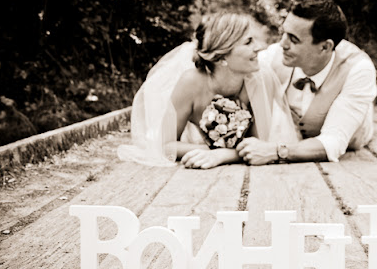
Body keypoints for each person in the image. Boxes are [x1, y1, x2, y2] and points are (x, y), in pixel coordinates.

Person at [117, 12, 299, 169]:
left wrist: (221, 155)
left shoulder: (261, 78)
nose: (259, 48)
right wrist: (206, 152)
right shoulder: (191, 82)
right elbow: (165, 144)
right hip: (198, 163)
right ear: (221, 57)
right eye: (248, 42)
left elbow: (260, 147)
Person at [237, 0, 377, 164]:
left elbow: (334, 141)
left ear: (325, 47)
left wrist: (275, 151)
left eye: (293, 39)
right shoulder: (276, 54)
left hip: (352, 139)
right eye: (283, 33)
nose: (282, 43)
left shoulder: (358, 69)